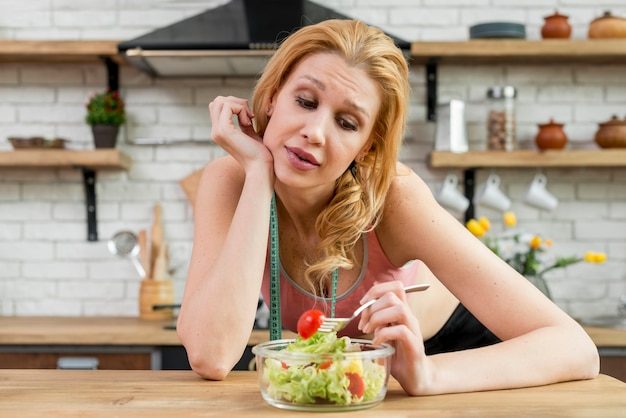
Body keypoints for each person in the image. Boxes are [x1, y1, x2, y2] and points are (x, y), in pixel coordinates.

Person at [176, 19, 599, 395]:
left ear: (367, 148)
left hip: (461, 358)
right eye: (305, 101)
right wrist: (257, 174)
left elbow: (575, 348)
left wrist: (428, 376)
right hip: (361, 378)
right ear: (271, 98)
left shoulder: (394, 196)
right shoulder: (231, 181)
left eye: (347, 123)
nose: (315, 132)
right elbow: (211, 357)